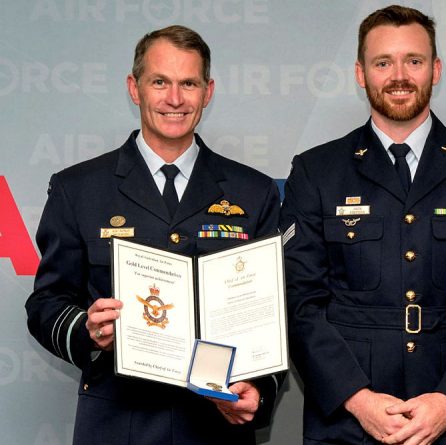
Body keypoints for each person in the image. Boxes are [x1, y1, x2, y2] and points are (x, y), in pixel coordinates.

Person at [25, 25, 283, 444]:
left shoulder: (252, 192)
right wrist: (86, 330)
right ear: (134, 87)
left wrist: (260, 387)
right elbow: (46, 304)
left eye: (189, 84)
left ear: (208, 90)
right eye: (159, 82)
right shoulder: (79, 188)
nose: (175, 99)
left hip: (215, 426)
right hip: (116, 421)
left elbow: (272, 315)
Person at [279, 5, 446, 445]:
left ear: (436, 69)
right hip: (346, 423)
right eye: (382, 62)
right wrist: (357, 399)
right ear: (360, 73)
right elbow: (299, 301)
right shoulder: (316, 172)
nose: (399, 75)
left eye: (414, 60)